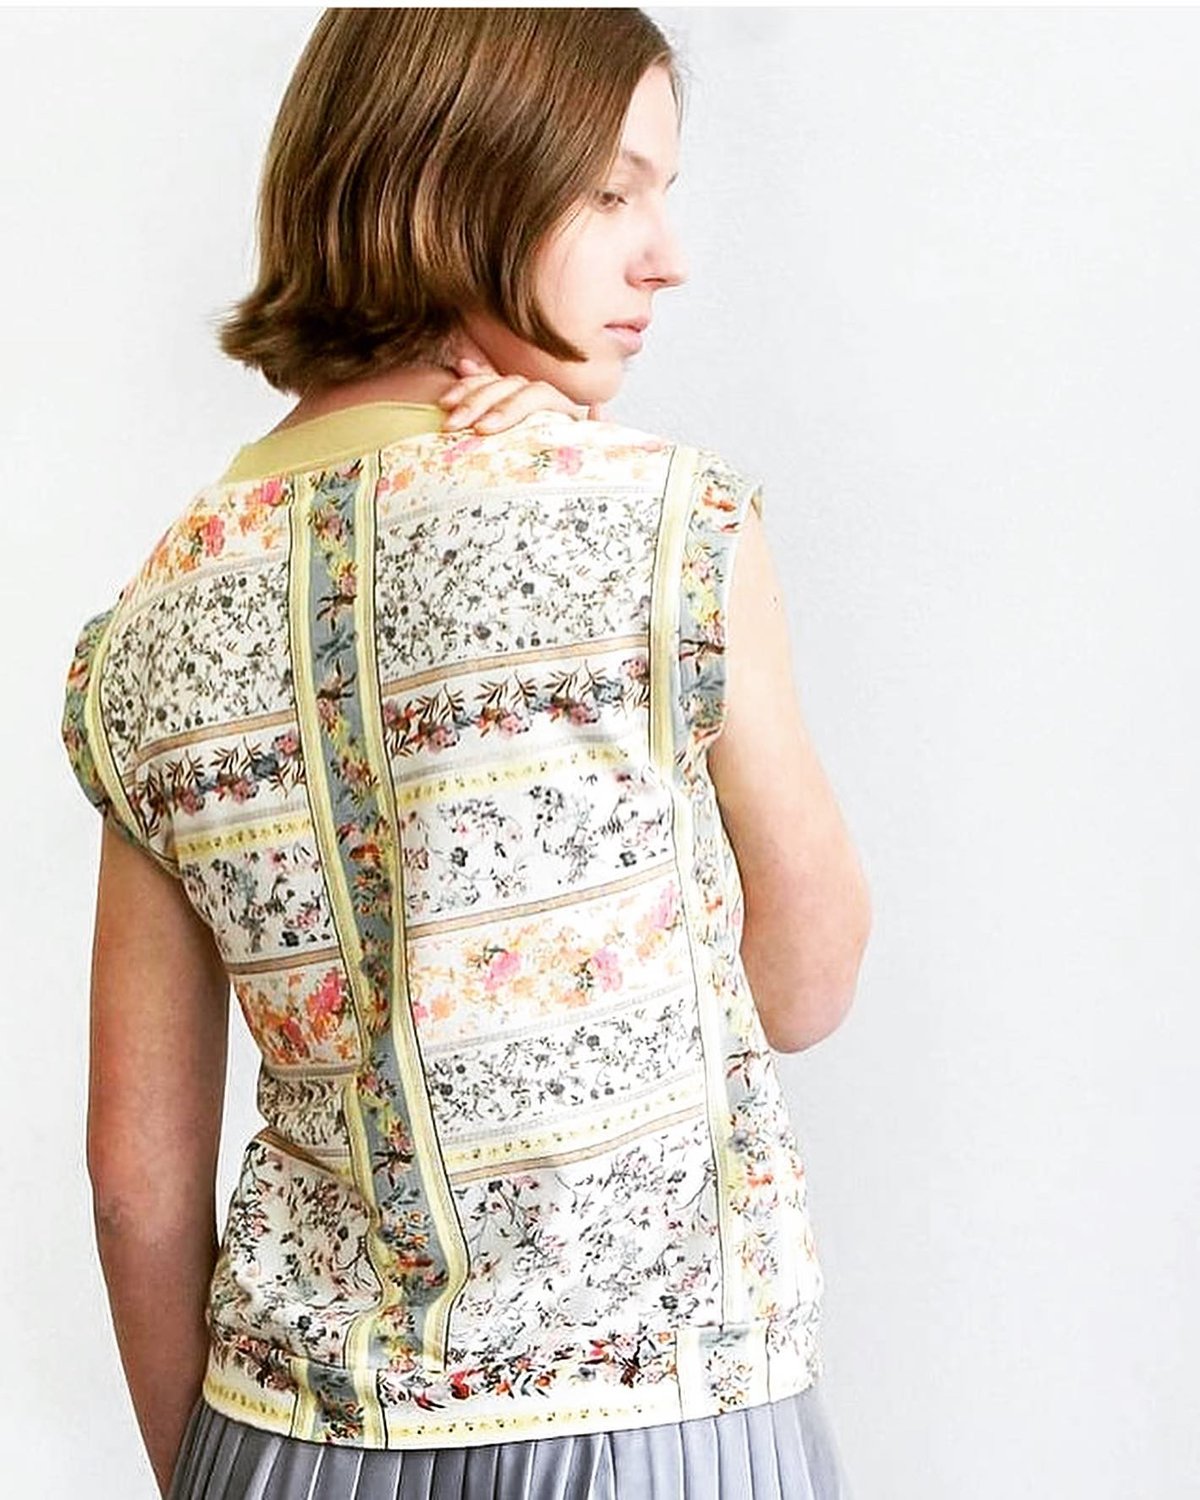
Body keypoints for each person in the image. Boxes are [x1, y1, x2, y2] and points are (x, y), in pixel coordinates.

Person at [60, 10, 871, 1498]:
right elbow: (805, 983)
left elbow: (135, 1183)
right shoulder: (656, 526)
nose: (667, 257)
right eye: (611, 193)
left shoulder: (151, 622)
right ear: (451, 189)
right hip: (650, 1425)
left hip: (283, 1435)